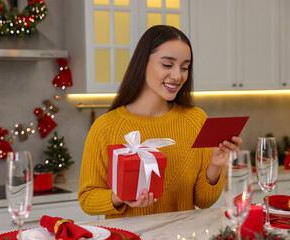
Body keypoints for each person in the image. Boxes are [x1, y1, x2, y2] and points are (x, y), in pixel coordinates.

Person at [78, 25, 242, 219]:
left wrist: (215, 166)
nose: (177, 76)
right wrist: (119, 197)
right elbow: (87, 199)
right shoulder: (106, 126)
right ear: (143, 63)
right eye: (167, 65)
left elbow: (203, 201)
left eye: (185, 67)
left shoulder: (196, 120)